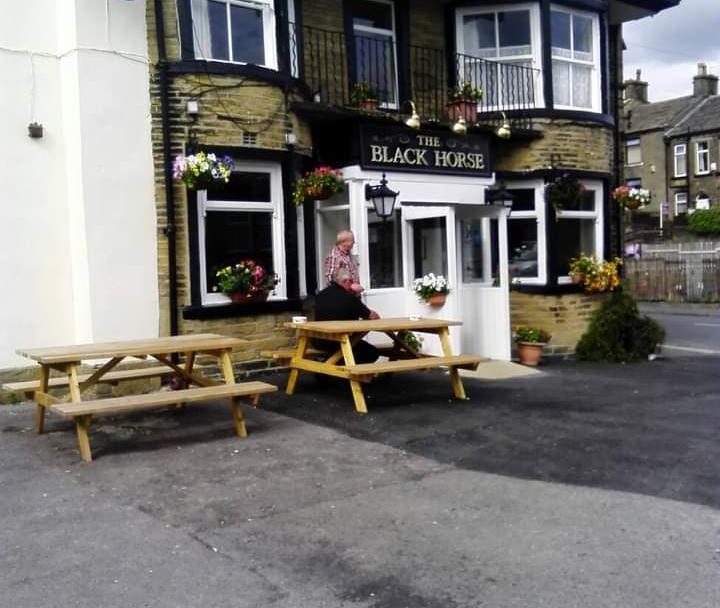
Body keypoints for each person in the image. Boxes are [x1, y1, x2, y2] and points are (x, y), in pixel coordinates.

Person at [313, 267, 380, 364]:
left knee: (356, 349)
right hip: (340, 342)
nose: (353, 284)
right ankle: (341, 369)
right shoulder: (349, 298)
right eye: (351, 281)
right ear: (345, 281)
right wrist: (356, 295)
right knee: (372, 353)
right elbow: (372, 316)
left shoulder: (321, 295)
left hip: (319, 341)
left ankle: (330, 365)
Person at [323, 229, 364, 295]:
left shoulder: (348, 255)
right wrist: (351, 286)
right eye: (352, 241)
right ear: (344, 242)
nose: (354, 243)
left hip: (352, 295)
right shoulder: (334, 256)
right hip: (341, 296)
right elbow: (330, 279)